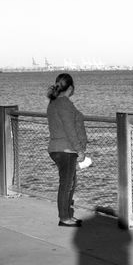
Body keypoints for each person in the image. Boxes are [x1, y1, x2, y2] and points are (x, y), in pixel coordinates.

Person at [46, 73, 87, 227]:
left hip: (59, 148)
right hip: (66, 149)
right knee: (66, 184)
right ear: (70, 87)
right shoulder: (64, 103)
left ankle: (67, 215)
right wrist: (79, 150)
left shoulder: (54, 102)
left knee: (70, 182)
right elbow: (70, 129)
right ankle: (64, 218)